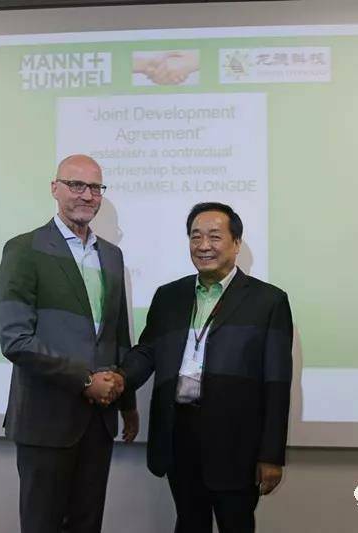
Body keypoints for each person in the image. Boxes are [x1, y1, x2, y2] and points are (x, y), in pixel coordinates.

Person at [120, 202, 293, 533]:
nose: (203, 245)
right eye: (195, 236)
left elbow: (277, 383)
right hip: (179, 434)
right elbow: (147, 351)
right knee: (188, 524)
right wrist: (119, 377)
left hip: (236, 443)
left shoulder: (268, 301)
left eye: (215, 236)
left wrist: (271, 454)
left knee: (236, 525)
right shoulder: (169, 297)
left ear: (236, 243)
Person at [0, 154, 138, 533]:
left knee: (87, 525)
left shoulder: (112, 255)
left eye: (95, 188)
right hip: (45, 420)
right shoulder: (24, 249)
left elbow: (117, 335)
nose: (87, 195)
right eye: (76, 185)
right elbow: (15, 339)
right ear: (54, 188)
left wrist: (127, 402)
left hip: (99, 422)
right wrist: (85, 380)